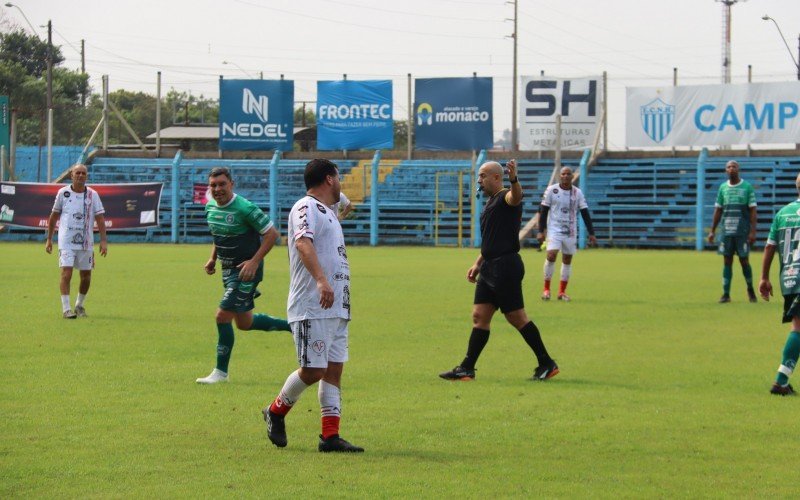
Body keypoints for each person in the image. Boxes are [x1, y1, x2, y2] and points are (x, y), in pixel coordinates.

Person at [262, 159, 363, 452]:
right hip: (313, 304)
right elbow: (304, 244)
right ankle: (275, 411)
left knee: (333, 369)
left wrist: (342, 205)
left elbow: (344, 204)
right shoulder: (305, 207)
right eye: (338, 177)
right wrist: (321, 280)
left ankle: (330, 437)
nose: (341, 182)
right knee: (313, 369)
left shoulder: (327, 211)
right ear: (330, 179)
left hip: (337, 305)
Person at [439, 159, 559, 382]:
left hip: (506, 266)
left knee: (516, 317)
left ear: (496, 177)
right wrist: (478, 263)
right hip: (490, 266)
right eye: (479, 176)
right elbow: (493, 239)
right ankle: (467, 368)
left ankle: (546, 362)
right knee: (479, 316)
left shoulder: (506, 196)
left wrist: (514, 179)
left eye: (483, 175)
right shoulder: (491, 202)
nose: (479, 180)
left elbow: (516, 197)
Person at [196, 167, 290, 384]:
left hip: (246, 273)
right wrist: (213, 258)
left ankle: (221, 373)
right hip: (228, 271)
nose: (217, 189)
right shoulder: (210, 207)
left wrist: (254, 262)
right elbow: (219, 235)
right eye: (213, 185)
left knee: (222, 316)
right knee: (244, 323)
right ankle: (295, 327)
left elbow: (271, 234)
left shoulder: (245, 208)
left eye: (221, 184)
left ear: (231, 184)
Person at [45, 163, 107, 319]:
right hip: (66, 241)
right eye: (77, 173)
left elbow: (100, 219)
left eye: (83, 173)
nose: (80, 175)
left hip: (86, 242)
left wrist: (103, 241)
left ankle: (79, 305)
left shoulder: (93, 195)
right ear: (71, 175)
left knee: (86, 275)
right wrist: (49, 239)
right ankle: (66, 309)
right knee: (66, 273)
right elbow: (53, 217)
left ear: (86, 176)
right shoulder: (63, 193)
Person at [759, 173, 800, 396]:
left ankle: (782, 381)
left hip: (790, 278)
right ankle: (781, 380)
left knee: (798, 327)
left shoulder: (782, 213)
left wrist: (764, 277)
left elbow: (769, 247)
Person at [536, 166, 597, 302]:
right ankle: (546, 289)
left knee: (567, 259)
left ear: (572, 176)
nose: (565, 176)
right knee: (551, 255)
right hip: (554, 229)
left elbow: (585, 213)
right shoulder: (552, 190)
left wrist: (591, 233)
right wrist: (541, 231)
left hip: (570, 231)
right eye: (563, 174)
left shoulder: (578, 193)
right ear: (560, 176)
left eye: (568, 174)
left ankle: (562, 292)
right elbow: (543, 210)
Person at [708, 160, 758, 303]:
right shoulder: (723, 188)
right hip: (726, 231)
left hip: (742, 231)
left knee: (744, 261)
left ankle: (750, 289)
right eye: (728, 167)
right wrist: (712, 231)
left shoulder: (747, 187)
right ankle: (726, 294)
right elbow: (718, 210)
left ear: (738, 169)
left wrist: (753, 232)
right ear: (725, 170)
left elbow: (753, 211)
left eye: (734, 166)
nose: (731, 169)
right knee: (727, 261)